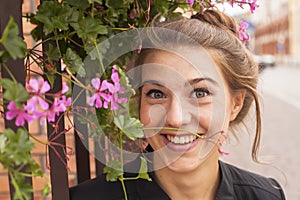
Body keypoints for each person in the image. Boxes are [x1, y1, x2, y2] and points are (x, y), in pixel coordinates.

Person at [69, 9, 286, 200]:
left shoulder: (266, 195)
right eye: (156, 94)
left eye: (200, 92)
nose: (175, 118)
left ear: (235, 104)